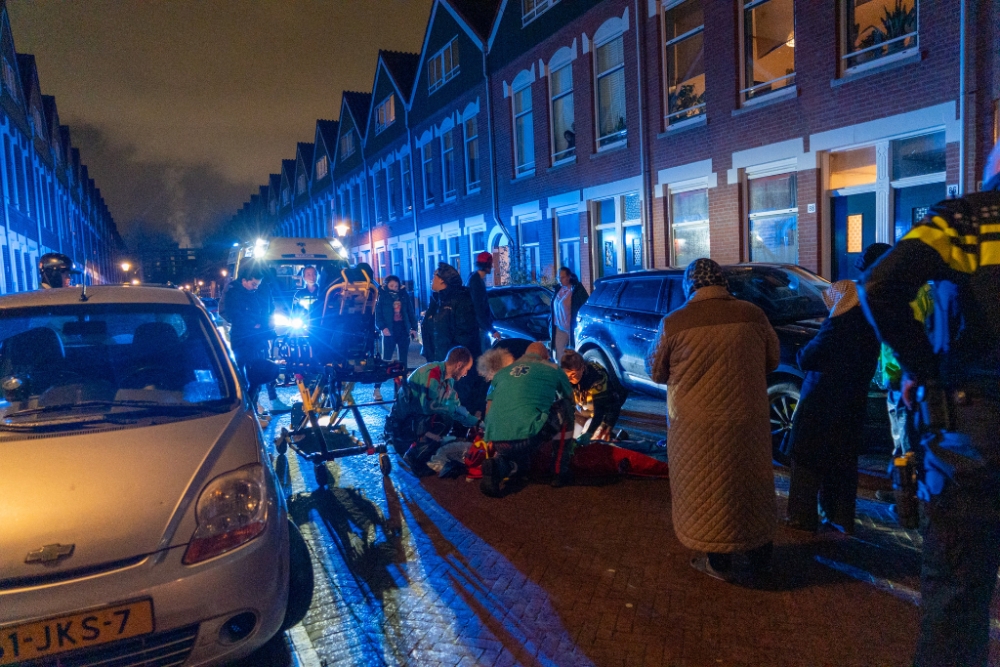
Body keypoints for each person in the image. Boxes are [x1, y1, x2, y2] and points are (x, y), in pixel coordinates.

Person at [858, 142, 1000, 667]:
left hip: (975, 434)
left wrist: (923, 369)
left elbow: (879, 285)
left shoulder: (967, 220)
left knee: (957, 600)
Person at [645, 258, 779, 582]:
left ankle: (718, 563)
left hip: (695, 429)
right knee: (751, 484)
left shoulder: (674, 322)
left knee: (708, 490)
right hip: (747, 421)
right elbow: (772, 359)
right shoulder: (753, 314)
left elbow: (655, 370)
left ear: (689, 284)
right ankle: (760, 556)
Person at [784, 243, 889, 534]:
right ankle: (840, 516)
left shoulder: (838, 324)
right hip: (852, 402)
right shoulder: (873, 318)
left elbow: (808, 358)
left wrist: (807, 348)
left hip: (821, 402)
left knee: (806, 458)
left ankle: (801, 517)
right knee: (843, 461)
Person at [481, 341, 576, 496]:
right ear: (546, 357)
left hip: (499, 441)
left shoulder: (501, 374)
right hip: (527, 438)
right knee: (565, 407)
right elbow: (570, 399)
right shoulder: (553, 368)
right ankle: (559, 471)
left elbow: (489, 409)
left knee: (520, 463)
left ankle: (497, 466)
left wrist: (491, 436)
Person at [386, 346, 479, 476]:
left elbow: (456, 408)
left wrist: (477, 423)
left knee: (445, 418)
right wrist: (452, 409)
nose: (465, 374)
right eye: (466, 369)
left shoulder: (448, 380)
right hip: (402, 426)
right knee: (443, 419)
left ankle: (422, 453)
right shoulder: (432, 373)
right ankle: (413, 457)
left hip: (415, 420)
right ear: (459, 365)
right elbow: (428, 407)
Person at [220, 266, 273, 413]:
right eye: (253, 284)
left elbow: (268, 309)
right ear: (244, 281)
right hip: (242, 339)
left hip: (257, 338)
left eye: (258, 284)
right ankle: (246, 407)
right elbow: (232, 313)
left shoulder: (258, 290)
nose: (256, 287)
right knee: (243, 374)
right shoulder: (233, 292)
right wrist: (251, 324)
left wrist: (265, 325)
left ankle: (252, 407)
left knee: (257, 373)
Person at [560, 349, 626, 442]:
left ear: (582, 368)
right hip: (581, 410)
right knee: (571, 437)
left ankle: (610, 435)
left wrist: (590, 432)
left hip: (603, 412)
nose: (570, 379)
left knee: (593, 440)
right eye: (567, 375)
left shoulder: (597, 378)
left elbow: (600, 411)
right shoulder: (565, 378)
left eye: (573, 374)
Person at [421, 262, 479, 363]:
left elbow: (464, 334)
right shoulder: (436, 301)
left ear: (442, 280)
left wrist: (452, 360)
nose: (432, 280)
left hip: (451, 364)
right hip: (437, 361)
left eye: (434, 276)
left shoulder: (460, 301)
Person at [373, 275, 417, 401]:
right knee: (385, 360)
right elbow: (378, 315)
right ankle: (377, 389)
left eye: (396, 286)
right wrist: (382, 328)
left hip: (402, 330)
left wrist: (413, 328)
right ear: (386, 286)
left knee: (403, 362)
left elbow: (410, 312)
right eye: (391, 286)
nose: (394, 288)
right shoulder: (382, 297)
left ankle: (402, 389)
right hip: (389, 331)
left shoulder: (404, 296)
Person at [550, 267, 589, 361]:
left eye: (563, 277)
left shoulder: (576, 290)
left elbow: (585, 305)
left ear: (569, 277)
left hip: (571, 327)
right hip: (559, 326)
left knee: (573, 353)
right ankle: (561, 369)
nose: (560, 280)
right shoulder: (558, 289)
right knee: (559, 354)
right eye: (559, 277)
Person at [467, 251, 500, 352]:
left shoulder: (475, 279)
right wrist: (492, 330)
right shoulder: (476, 283)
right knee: (485, 356)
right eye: (490, 264)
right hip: (480, 328)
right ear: (486, 265)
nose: (492, 266)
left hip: (480, 327)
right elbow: (478, 309)